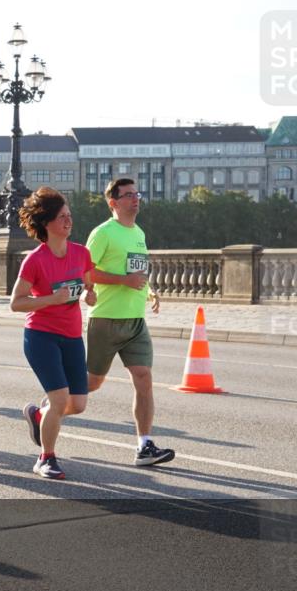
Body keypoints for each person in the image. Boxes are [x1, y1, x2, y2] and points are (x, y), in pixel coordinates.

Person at [86, 178, 174, 466]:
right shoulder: (103, 234)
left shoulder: (139, 232)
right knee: (92, 383)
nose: (135, 199)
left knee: (144, 378)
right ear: (113, 202)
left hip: (135, 321)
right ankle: (47, 409)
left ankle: (144, 445)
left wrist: (149, 291)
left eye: (137, 194)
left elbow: (137, 271)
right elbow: (85, 272)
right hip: (105, 319)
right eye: (127, 195)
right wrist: (124, 281)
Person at [10, 187, 96, 480]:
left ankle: (38, 415)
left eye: (70, 216)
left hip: (72, 336)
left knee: (78, 405)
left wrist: (90, 296)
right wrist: (51, 299)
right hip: (41, 336)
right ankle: (46, 457)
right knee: (59, 401)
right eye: (62, 217)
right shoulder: (35, 260)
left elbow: (87, 285)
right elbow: (16, 303)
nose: (68, 222)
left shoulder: (82, 253)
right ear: (47, 223)